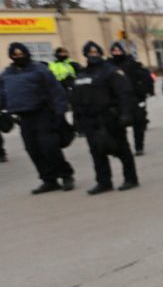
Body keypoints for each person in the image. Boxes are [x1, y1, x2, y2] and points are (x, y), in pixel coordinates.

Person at [0, 43, 75, 193]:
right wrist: (5, 111)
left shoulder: (40, 69)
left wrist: (60, 112)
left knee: (49, 147)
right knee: (32, 149)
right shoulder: (7, 74)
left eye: (21, 53)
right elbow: (2, 94)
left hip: (43, 113)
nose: (18, 56)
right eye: (15, 55)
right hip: (23, 116)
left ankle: (66, 175)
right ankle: (49, 180)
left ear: (27, 53)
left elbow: (56, 91)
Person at [71, 42, 139, 194]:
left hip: (109, 117)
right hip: (90, 120)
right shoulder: (82, 74)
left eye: (96, 53)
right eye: (90, 53)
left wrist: (126, 114)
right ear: (85, 55)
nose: (93, 56)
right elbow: (75, 99)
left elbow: (125, 94)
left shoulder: (111, 71)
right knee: (96, 152)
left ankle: (130, 178)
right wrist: (77, 119)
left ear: (101, 54)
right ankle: (103, 182)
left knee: (121, 149)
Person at [109, 41, 154, 155]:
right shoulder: (109, 66)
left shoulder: (132, 64)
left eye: (118, 51)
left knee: (138, 124)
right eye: (114, 51)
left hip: (134, 99)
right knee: (118, 125)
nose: (116, 53)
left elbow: (145, 78)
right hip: (117, 100)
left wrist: (143, 92)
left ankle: (139, 146)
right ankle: (123, 148)